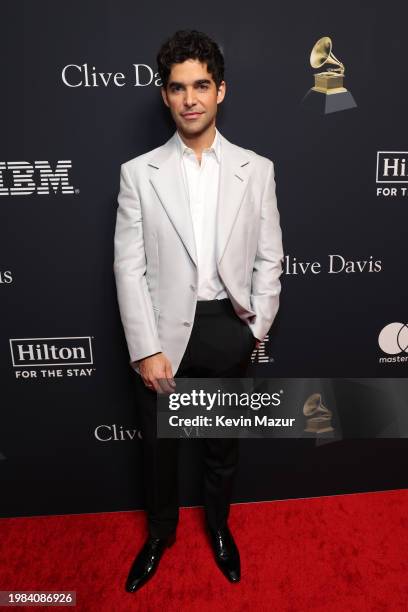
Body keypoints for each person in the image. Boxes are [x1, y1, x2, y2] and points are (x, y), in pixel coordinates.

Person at [113, 29, 284, 593]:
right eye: (178, 87)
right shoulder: (139, 173)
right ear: (164, 95)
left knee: (220, 448)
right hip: (164, 335)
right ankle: (160, 534)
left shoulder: (255, 168)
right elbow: (129, 267)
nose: (190, 98)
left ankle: (217, 528)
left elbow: (269, 255)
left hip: (226, 328)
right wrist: (146, 347)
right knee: (160, 451)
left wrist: (254, 327)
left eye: (201, 86)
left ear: (221, 91)